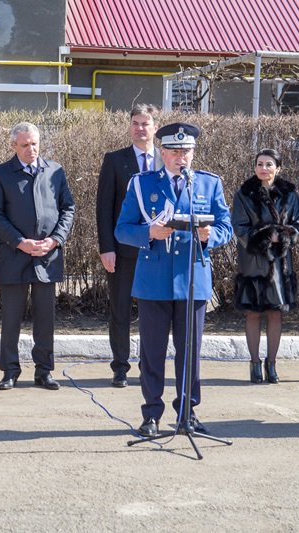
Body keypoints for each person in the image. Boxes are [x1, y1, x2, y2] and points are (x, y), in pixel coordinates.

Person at [115, 122, 232, 437]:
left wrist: (211, 236)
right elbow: (122, 229)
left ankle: (187, 413)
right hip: (154, 280)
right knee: (152, 352)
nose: (182, 157)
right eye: (176, 151)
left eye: (187, 151)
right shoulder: (142, 184)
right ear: (162, 152)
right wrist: (148, 233)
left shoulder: (207, 184)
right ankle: (151, 414)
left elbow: (226, 226)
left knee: (189, 351)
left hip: (192, 278)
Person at [0, 122, 75, 391]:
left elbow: (67, 208)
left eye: (34, 143)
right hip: (16, 256)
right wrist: (19, 242)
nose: (31, 149)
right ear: (14, 146)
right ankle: (10, 371)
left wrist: (56, 240)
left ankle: (44, 371)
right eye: (25, 145)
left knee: (45, 318)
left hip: (47, 257)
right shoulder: (2, 173)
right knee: (11, 318)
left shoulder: (55, 171)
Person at [96, 104, 161, 388]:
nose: (140, 128)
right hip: (123, 252)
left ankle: (150, 366)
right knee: (120, 311)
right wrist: (106, 247)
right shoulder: (115, 160)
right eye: (135, 123)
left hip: (159, 253)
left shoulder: (165, 159)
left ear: (155, 127)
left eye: (145, 123)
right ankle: (120, 367)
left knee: (155, 314)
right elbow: (104, 208)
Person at [232, 149, 299, 384]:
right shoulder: (244, 194)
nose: (264, 168)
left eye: (269, 164)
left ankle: (271, 363)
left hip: (280, 262)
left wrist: (283, 236)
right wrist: (264, 237)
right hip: (253, 260)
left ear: (278, 168)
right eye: (260, 164)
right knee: (253, 313)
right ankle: (254, 363)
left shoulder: (290, 194)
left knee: (276, 312)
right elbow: (240, 226)